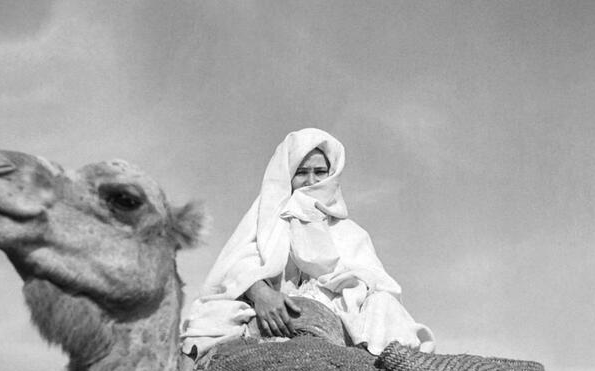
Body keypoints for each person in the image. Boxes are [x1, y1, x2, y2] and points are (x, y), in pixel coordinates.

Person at [181, 128, 434, 358]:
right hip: (272, 312)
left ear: (332, 174)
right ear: (288, 176)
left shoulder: (351, 232)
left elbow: (376, 282)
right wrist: (262, 294)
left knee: (385, 308)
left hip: (341, 316)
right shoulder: (267, 221)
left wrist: (335, 294)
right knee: (208, 323)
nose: (311, 181)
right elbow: (236, 266)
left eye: (319, 172)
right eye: (301, 172)